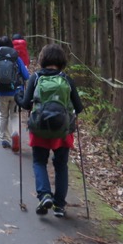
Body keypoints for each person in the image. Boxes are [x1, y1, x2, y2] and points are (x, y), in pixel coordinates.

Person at [20, 43, 84, 217]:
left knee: (39, 162)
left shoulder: (36, 78)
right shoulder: (67, 80)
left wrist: (19, 98)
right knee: (61, 165)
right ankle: (59, 206)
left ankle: (44, 194)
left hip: (40, 128)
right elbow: (79, 108)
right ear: (62, 61)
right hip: (63, 131)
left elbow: (25, 104)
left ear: (43, 59)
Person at [0, 35, 30, 148]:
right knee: (14, 115)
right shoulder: (16, 58)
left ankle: (5, 139)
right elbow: (26, 76)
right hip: (16, 92)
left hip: (1, 92)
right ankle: (15, 133)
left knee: (3, 115)